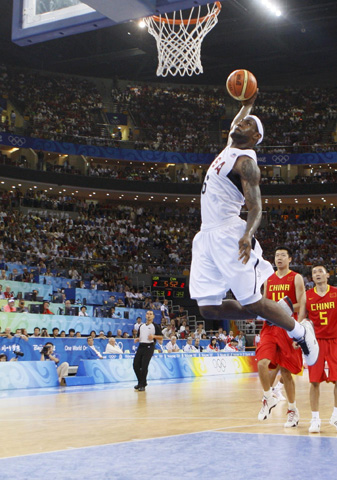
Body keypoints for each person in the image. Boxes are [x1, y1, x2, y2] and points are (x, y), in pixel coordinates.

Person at [189, 91, 318, 369]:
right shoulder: (229, 148)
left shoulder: (246, 163)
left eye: (248, 124)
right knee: (207, 307)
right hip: (206, 234)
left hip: (229, 233)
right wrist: (247, 104)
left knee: (252, 301)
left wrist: (247, 234)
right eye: (241, 122)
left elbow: (256, 207)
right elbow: (238, 119)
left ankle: (300, 332)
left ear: (255, 137)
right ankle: (272, 314)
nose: (240, 124)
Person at [256, 246, 305, 426]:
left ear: (289, 259)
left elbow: (303, 304)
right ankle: (269, 397)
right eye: (277, 255)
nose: (279, 258)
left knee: (286, 372)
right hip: (270, 326)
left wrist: (286, 310)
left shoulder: (296, 278)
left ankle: (292, 410)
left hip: (288, 325)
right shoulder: (269, 278)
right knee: (262, 363)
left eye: (283, 255)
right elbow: (265, 301)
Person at [298, 265, 337, 433]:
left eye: (320, 271)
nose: (317, 274)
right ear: (312, 278)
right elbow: (300, 319)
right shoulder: (307, 296)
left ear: (327, 275)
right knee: (314, 382)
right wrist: (297, 338)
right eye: (314, 272)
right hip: (315, 342)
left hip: (335, 340)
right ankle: (315, 419)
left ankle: (336, 414)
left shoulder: (336, 293)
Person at [133, 310, 163, 391]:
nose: (149, 315)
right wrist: (137, 339)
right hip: (141, 346)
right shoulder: (141, 326)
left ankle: (142, 384)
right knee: (135, 365)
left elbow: (161, 337)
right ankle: (141, 382)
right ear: (145, 315)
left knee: (144, 366)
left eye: (150, 314)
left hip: (149, 347)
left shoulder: (155, 326)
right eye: (147, 314)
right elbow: (141, 336)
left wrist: (154, 336)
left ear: (153, 316)